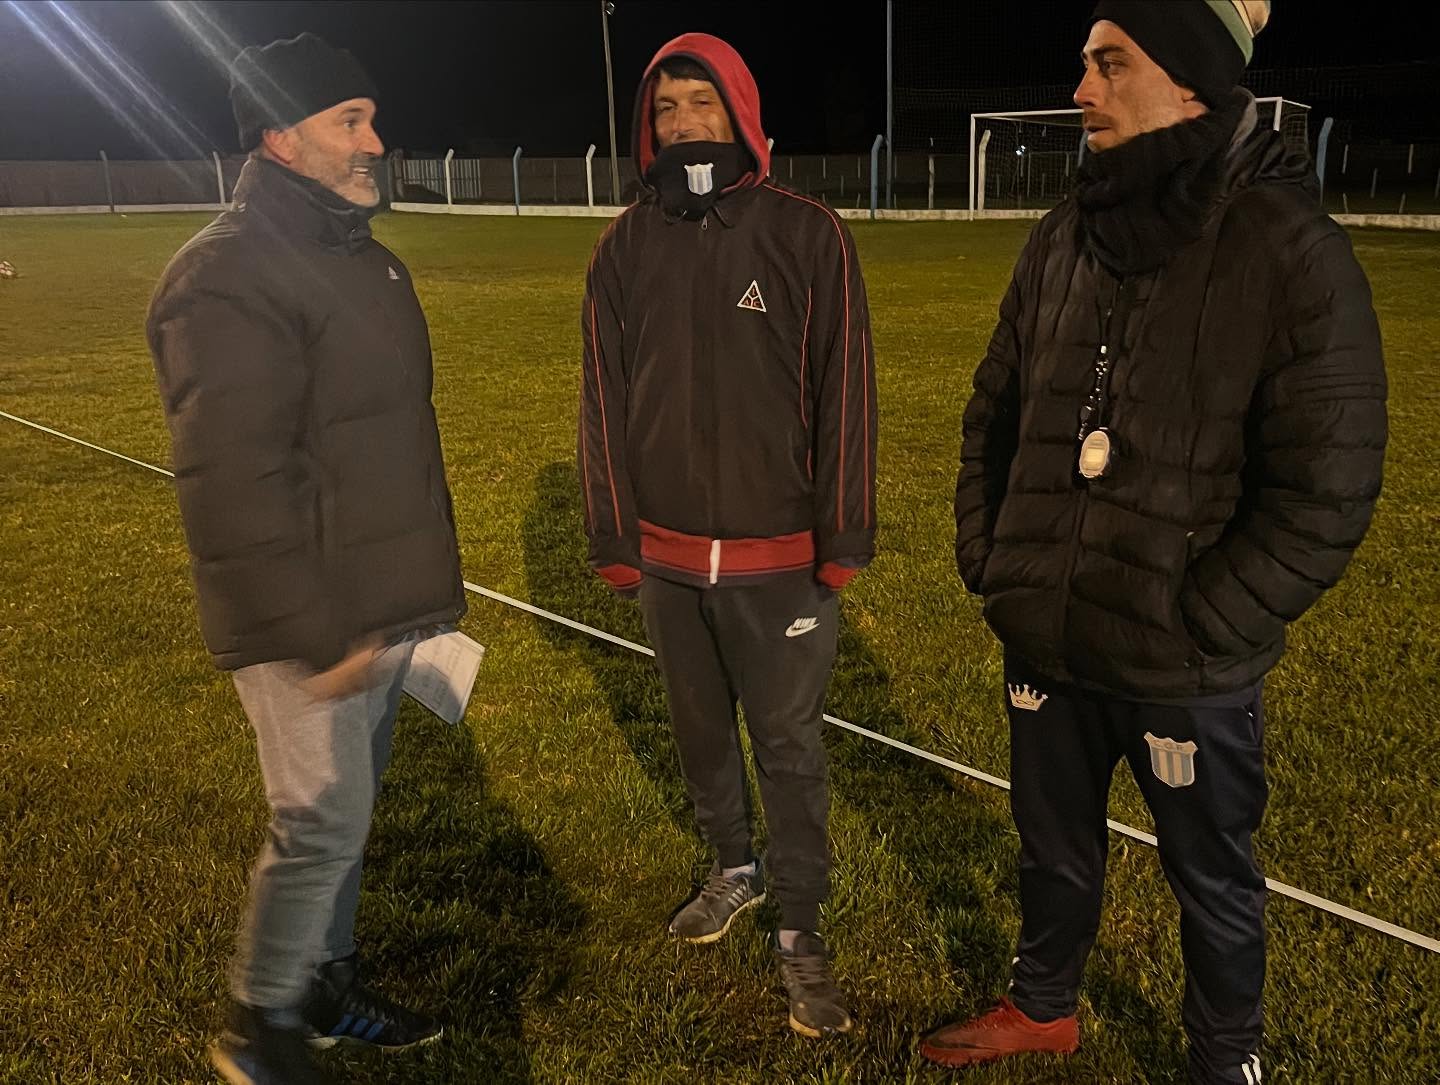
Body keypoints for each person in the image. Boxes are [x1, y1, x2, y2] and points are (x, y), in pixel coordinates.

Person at [928, 2, 1387, 1081]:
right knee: (1051, 845)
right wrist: (995, 559)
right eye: (1084, 64)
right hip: (1049, 631)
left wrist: (1205, 617)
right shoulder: (1063, 232)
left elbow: (1329, 481)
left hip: (1185, 663)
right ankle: (1045, 1002)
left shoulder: (1289, 246)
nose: (1080, 89)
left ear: (1187, 81)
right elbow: (995, 406)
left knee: (1211, 878)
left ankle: (1224, 1058)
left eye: (1109, 65)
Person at [146, 33, 467, 1085]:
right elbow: (234, 484)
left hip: (374, 601)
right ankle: (260, 1021)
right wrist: (314, 631)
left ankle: (324, 981)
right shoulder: (224, 274)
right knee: (320, 815)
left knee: (348, 818)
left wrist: (410, 603)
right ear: (280, 136)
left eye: (372, 118)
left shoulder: (361, 256)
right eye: (349, 119)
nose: (375, 140)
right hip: (310, 617)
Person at [577, 32, 877, 1037]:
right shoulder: (622, 247)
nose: (681, 124)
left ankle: (801, 926)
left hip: (780, 562)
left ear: (740, 112)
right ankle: (732, 867)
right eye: (664, 109)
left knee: (787, 746)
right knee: (701, 732)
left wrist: (842, 534)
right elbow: (603, 399)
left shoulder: (808, 235)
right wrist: (614, 533)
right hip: (668, 562)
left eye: (700, 103)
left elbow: (847, 388)